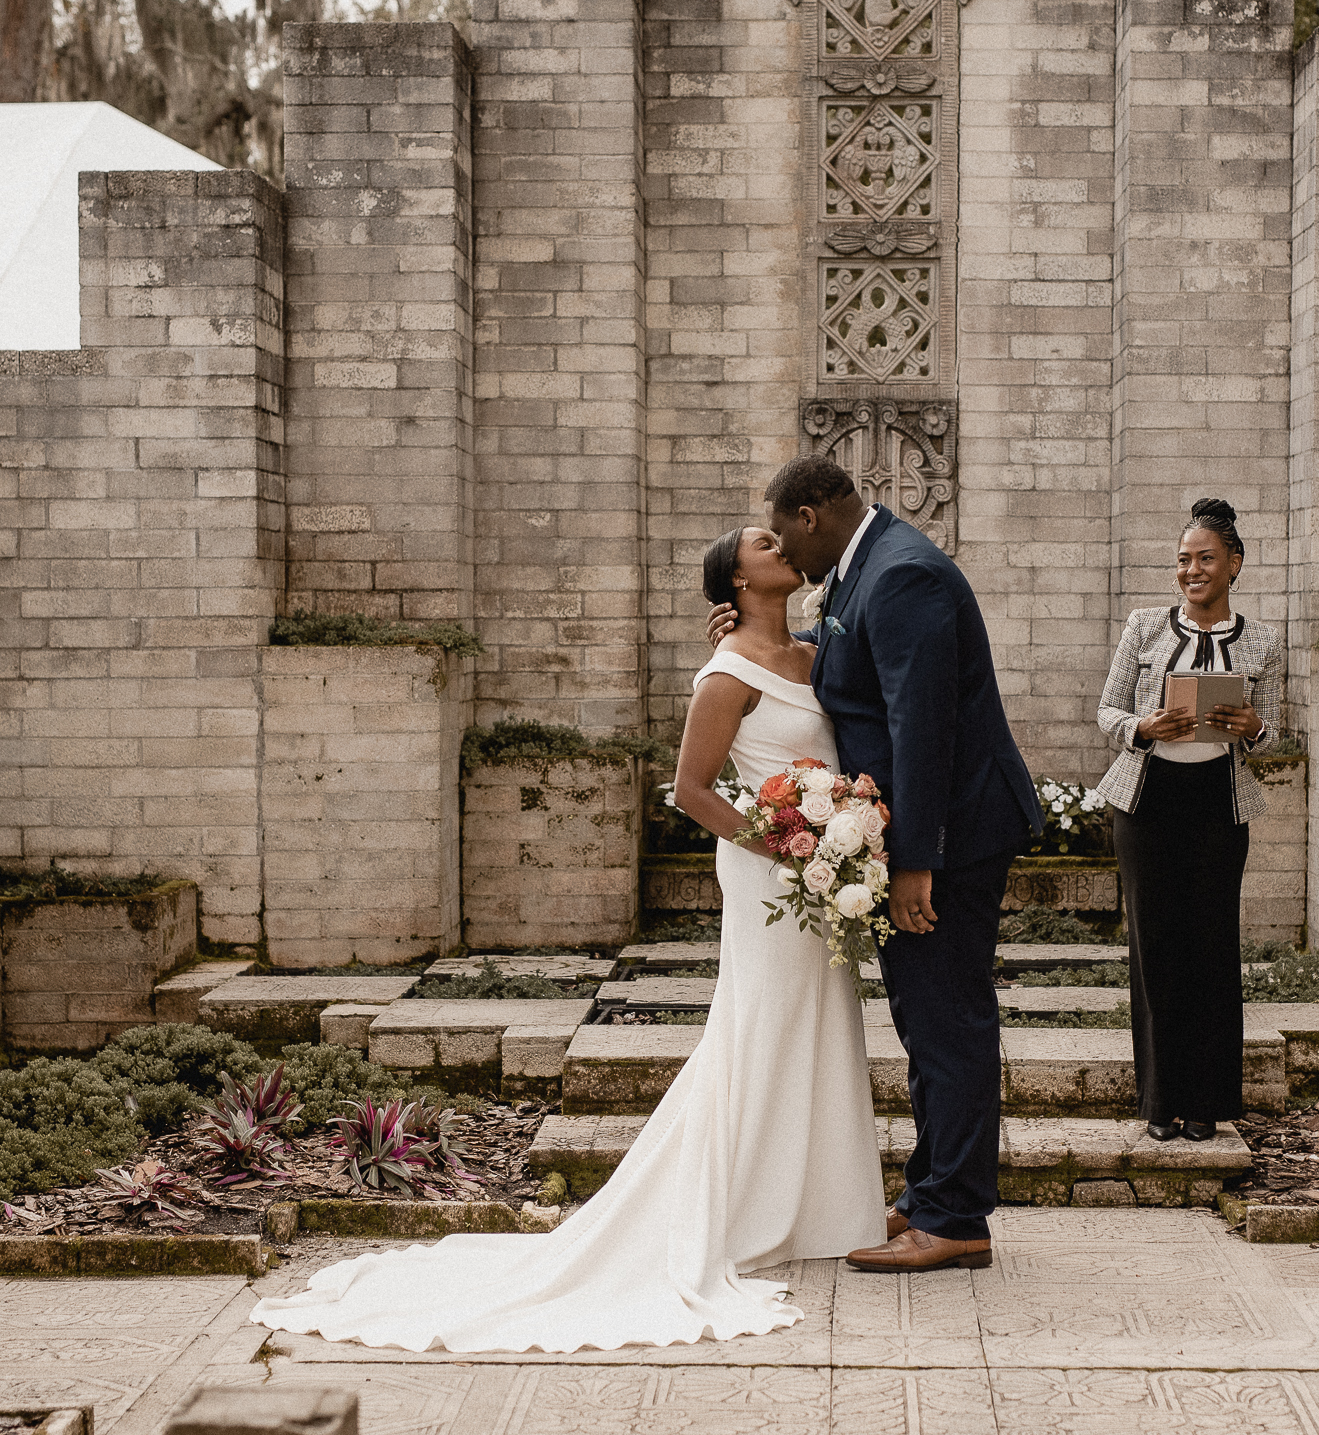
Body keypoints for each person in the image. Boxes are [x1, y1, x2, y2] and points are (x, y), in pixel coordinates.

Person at [250, 526, 883, 1351]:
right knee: (758, 1026)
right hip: (770, 871)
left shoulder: (810, 652)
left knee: (820, 1020)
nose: (785, 545)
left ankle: (814, 1205)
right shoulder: (723, 675)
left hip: (816, 871)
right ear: (735, 575)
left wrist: (834, 832)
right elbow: (692, 791)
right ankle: (734, 1210)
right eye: (767, 541)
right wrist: (784, 840)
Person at [711, 456, 1041, 1272]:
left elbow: (921, 728)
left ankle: (959, 1216)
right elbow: (855, 659)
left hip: (952, 838)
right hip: (923, 836)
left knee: (948, 1018)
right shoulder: (869, 569)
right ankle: (930, 1191)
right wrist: (765, 640)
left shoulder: (902, 574)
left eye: (782, 531)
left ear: (811, 514)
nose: (785, 552)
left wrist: (915, 864)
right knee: (925, 1017)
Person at [1093, 498, 1282, 1142]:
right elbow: (1108, 712)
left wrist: (1253, 727)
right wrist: (1143, 727)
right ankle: (1160, 1103)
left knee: (1210, 945)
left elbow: (1276, 732)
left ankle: (1208, 1103)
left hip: (1217, 803)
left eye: (1205, 559)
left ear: (1234, 564)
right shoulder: (1144, 627)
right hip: (1147, 799)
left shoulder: (1261, 640)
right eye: (1183, 560)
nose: (1192, 570)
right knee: (1156, 948)